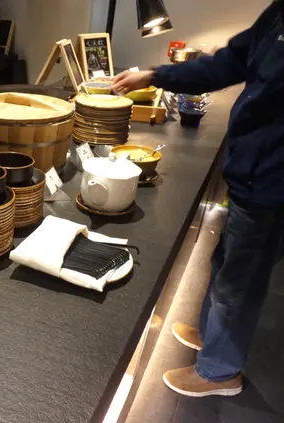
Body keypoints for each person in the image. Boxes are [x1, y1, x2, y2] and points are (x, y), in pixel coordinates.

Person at [112, 0, 284, 398]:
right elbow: (229, 62)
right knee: (226, 260)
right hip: (251, 169)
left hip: (271, 180)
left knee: (241, 279)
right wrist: (155, 75)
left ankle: (220, 371)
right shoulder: (277, 14)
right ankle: (212, 335)